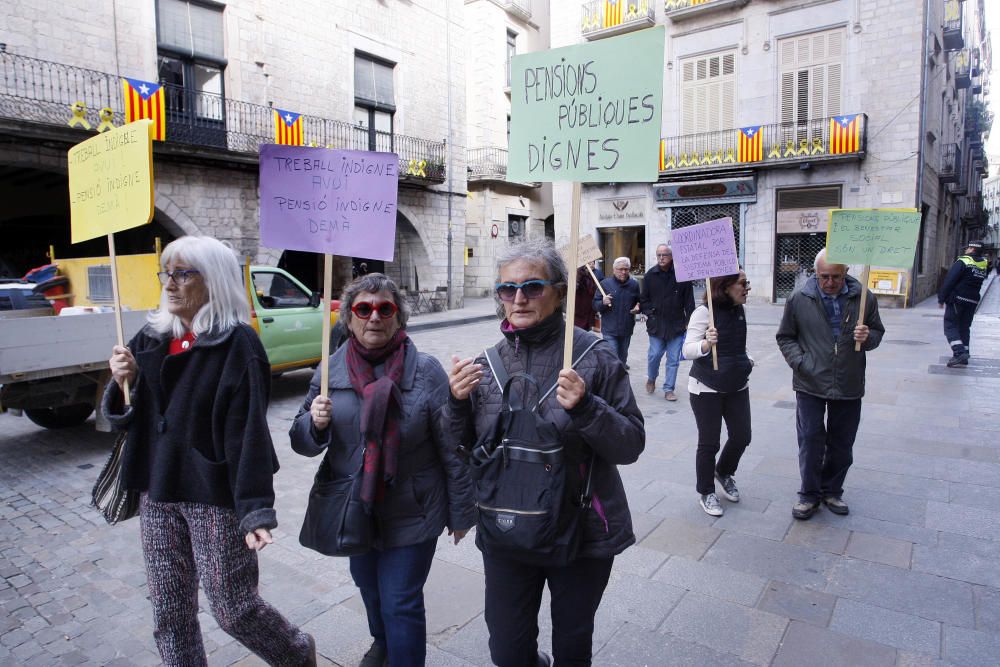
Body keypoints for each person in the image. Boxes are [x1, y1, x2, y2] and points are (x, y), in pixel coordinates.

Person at [102, 236, 316, 667]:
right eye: (168, 273)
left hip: (213, 495)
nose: (171, 283)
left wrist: (255, 511)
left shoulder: (238, 345)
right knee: (170, 612)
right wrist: (119, 381)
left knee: (233, 608)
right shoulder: (149, 338)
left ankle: (295, 652)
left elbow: (249, 436)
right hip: (157, 490)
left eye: (183, 274)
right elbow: (129, 422)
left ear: (213, 281)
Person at [444, 239, 644, 667]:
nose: (518, 298)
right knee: (508, 650)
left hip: (582, 530)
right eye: (507, 289)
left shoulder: (595, 358)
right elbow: (461, 449)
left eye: (532, 287)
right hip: (508, 528)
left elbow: (630, 445)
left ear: (558, 292)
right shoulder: (486, 366)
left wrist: (588, 407)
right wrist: (457, 403)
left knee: (573, 644)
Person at [289, 273, 474, 667]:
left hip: (414, 507)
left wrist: (461, 511)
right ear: (350, 319)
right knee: (369, 588)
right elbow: (300, 442)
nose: (374, 317)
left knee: (400, 600)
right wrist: (314, 425)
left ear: (398, 318)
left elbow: (452, 445)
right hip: (354, 507)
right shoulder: (330, 371)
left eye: (384, 308)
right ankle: (382, 643)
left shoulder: (425, 371)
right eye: (364, 308)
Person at [776, 249, 884, 520]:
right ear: (816, 274)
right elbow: (785, 336)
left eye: (836, 276)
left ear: (846, 273)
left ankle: (832, 490)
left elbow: (877, 332)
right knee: (811, 439)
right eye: (824, 276)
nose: (830, 282)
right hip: (810, 381)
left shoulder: (863, 298)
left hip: (848, 380)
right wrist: (801, 363)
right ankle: (809, 494)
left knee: (842, 442)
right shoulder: (799, 298)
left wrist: (868, 336)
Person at [683, 271, 753, 517]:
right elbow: (687, 349)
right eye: (743, 284)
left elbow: (737, 343)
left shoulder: (739, 310)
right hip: (706, 388)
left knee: (742, 436)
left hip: (736, 384)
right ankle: (706, 491)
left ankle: (723, 471)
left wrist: (746, 359)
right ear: (725, 286)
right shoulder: (704, 313)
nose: (748, 288)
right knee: (709, 443)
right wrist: (705, 344)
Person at [640, 243, 695, 401]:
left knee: (673, 359)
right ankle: (651, 378)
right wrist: (650, 313)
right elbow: (644, 299)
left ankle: (669, 389)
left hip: (676, 325)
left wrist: (688, 322)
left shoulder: (682, 275)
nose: (661, 258)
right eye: (659, 255)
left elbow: (689, 302)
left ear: (672, 257)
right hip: (656, 325)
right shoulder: (650, 275)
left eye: (665, 255)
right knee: (654, 354)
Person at [938, 240, 988, 367]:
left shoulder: (963, 261)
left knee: (950, 325)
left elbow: (949, 280)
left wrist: (941, 298)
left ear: (972, 249)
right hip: (973, 300)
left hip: (958, 299)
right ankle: (964, 353)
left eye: (968, 248)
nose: (966, 250)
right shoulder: (983, 264)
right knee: (964, 327)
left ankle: (959, 352)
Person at [594, 256, 641, 369]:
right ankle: (613, 382)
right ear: (614, 269)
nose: (623, 272)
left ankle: (620, 379)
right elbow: (595, 305)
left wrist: (639, 306)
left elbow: (639, 301)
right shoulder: (605, 284)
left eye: (626, 269)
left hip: (626, 328)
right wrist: (603, 303)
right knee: (613, 358)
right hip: (610, 329)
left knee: (622, 358)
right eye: (620, 269)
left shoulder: (634, 285)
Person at [573, 264, 599, 331]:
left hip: (588, 310)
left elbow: (593, 290)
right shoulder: (578, 276)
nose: (591, 265)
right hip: (579, 311)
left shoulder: (591, 276)